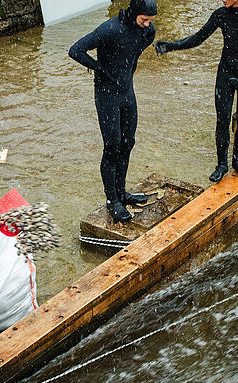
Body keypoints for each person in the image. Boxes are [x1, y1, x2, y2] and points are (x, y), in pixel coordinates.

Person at [155, 0, 238, 183]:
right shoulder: (221, 14)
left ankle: (237, 160)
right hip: (225, 74)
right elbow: (198, 38)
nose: (222, 0)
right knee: (222, 120)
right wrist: (172, 46)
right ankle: (221, 165)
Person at [69, 0, 157, 224]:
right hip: (107, 95)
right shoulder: (110, 29)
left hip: (127, 93)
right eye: (144, 19)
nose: (147, 25)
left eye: (150, 21)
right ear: (135, 12)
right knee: (112, 147)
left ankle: (122, 192)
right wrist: (99, 69)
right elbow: (75, 50)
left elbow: (134, 54)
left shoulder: (147, 32)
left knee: (128, 142)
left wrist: (126, 71)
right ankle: (112, 201)